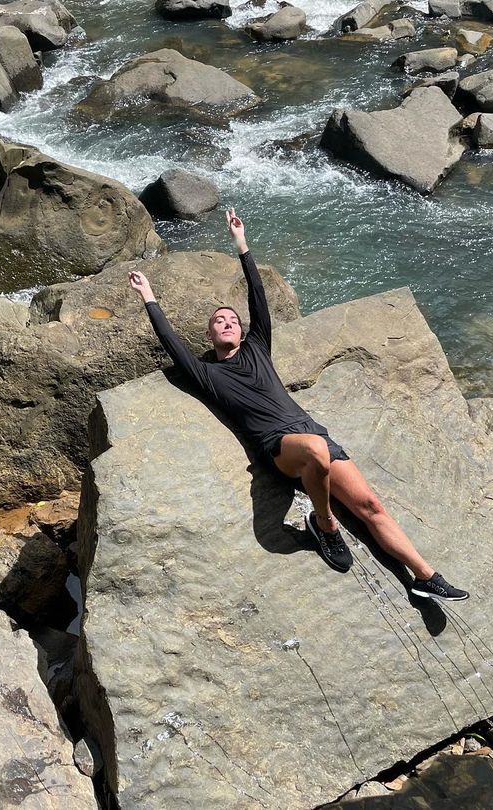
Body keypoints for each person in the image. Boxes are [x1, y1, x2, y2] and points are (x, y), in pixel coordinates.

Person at [127, 208, 468, 602]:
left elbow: (258, 298)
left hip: (312, 432)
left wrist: (242, 244)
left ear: (243, 330)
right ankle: (324, 525)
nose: (227, 323)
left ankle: (425, 577)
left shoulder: (257, 347)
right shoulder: (206, 374)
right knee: (316, 452)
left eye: (232, 319)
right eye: (219, 321)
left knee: (371, 505)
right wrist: (149, 297)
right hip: (279, 446)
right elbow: (171, 341)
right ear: (209, 335)